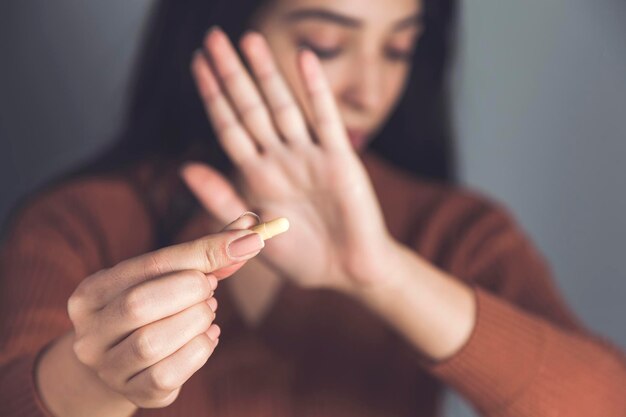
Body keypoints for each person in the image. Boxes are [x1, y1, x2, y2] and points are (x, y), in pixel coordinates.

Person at [1, 0, 625, 416]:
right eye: (326, 46)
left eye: (399, 50)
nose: (370, 92)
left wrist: (383, 275)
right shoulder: (81, 221)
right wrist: (99, 380)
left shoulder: (456, 232)